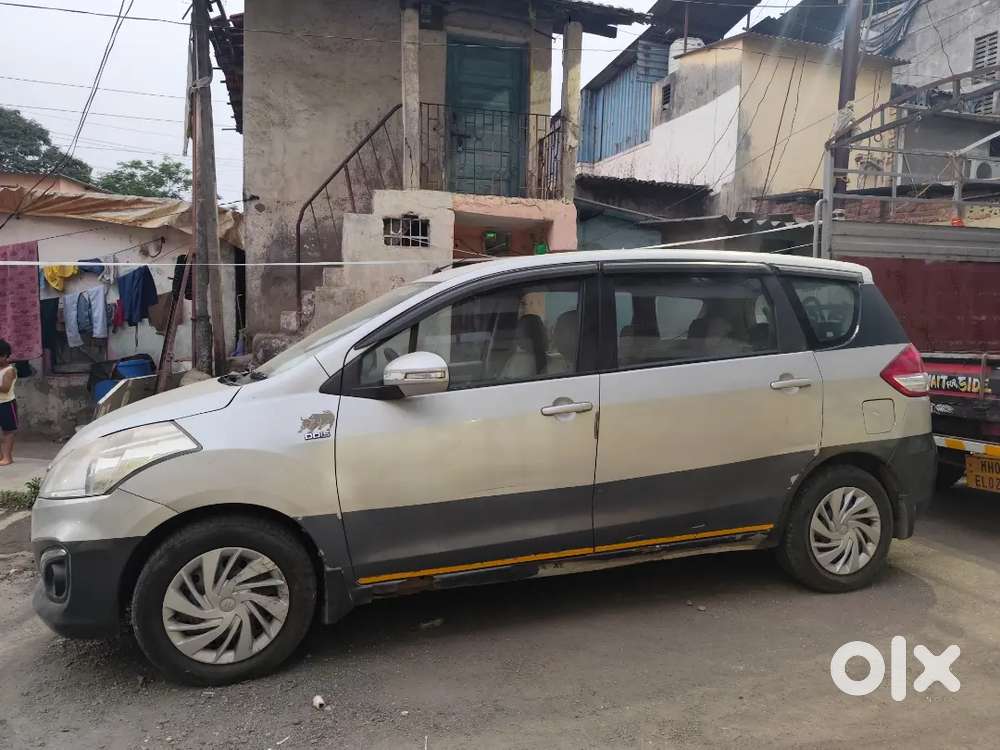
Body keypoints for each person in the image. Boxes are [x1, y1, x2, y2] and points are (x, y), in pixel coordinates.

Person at [0, 339, 17, 466]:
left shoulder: (9, 370)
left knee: (8, 431)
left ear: (5, 356)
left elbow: (5, 388)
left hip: (6, 404)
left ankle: (7, 457)